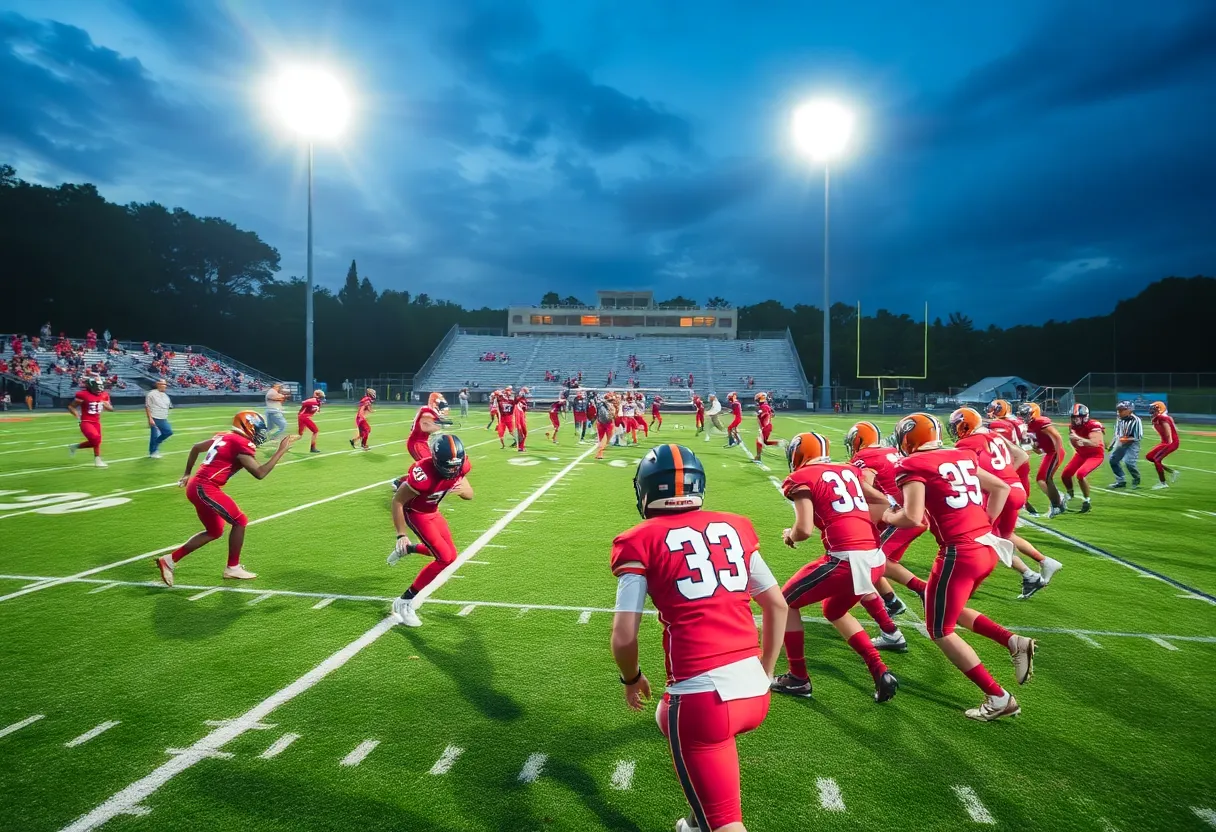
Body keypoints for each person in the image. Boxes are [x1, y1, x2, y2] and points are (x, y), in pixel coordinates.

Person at [610, 444, 787, 832]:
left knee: (726, 824)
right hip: (754, 692)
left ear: (645, 490)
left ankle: (706, 821)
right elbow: (776, 605)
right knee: (668, 718)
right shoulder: (736, 526)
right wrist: (767, 671)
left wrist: (631, 677)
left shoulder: (637, 539)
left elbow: (624, 638)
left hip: (703, 700)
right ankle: (695, 820)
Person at [884, 413, 1035, 721]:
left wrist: (887, 516)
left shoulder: (911, 464)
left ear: (909, 437)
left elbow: (912, 517)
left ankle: (998, 697)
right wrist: (985, 525)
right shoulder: (962, 454)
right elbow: (1001, 488)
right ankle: (1013, 641)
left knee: (940, 629)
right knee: (946, 608)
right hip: (987, 546)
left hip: (960, 552)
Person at [770, 432, 904, 703]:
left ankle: (798, 678)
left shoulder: (802, 478)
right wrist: (864, 529)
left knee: (784, 604)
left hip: (846, 559)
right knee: (834, 609)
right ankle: (879, 670)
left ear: (797, 454)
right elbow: (880, 500)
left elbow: (804, 529)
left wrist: (789, 535)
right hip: (875, 557)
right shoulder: (849, 469)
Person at [155, 412, 298, 587]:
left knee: (214, 531)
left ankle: (169, 560)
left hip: (198, 485)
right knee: (240, 520)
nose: (259, 434)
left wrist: (187, 474)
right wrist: (281, 451)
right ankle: (232, 567)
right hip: (205, 487)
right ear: (246, 426)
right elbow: (260, 473)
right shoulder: (239, 442)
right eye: (257, 429)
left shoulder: (225, 436)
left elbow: (195, 447)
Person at [949, 408, 1062, 599]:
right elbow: (1022, 456)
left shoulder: (968, 442)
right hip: (1016, 488)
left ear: (964, 424)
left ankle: (1027, 575)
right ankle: (1044, 562)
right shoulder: (992, 435)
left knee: (985, 538)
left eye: (955, 425)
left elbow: (962, 468)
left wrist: (995, 481)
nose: (953, 430)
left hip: (999, 494)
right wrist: (1005, 476)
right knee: (1005, 535)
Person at [387, 434, 473, 627]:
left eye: (455, 466)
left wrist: (462, 491)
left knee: (450, 556)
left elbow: (469, 494)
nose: (452, 470)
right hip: (417, 513)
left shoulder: (462, 465)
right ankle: (405, 601)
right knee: (443, 557)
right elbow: (398, 501)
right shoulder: (423, 474)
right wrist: (401, 534)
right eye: (448, 466)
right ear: (436, 461)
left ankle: (408, 550)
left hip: (433, 511)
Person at [845, 420, 928, 615]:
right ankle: (892, 602)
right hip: (916, 512)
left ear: (858, 439)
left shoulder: (865, 456)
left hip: (903, 515)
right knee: (878, 561)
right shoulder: (889, 451)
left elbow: (864, 486)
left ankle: (923, 589)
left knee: (872, 559)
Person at [1017, 402, 1066, 518]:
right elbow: (1038, 449)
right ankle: (1057, 500)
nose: (1023, 417)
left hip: (1054, 452)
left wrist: (1057, 452)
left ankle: (1057, 504)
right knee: (1041, 479)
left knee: (1046, 479)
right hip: (1049, 453)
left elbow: (1057, 437)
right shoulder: (1030, 425)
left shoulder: (1040, 422)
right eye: (1022, 414)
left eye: (1026, 414)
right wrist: (1035, 446)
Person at [1061, 403, 1105, 513]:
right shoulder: (1073, 426)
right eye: (1073, 418)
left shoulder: (1093, 425)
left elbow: (1095, 443)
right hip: (1081, 454)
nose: (1074, 420)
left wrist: (1079, 439)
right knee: (1065, 475)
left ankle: (1087, 501)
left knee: (1080, 474)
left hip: (1095, 455)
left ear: (1085, 417)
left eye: (1077, 418)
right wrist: (1077, 443)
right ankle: (1070, 495)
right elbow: (1074, 441)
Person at [67, 376, 113, 467]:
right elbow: (71, 406)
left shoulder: (104, 395)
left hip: (96, 422)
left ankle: (77, 448)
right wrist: (78, 416)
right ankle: (97, 460)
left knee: (96, 442)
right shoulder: (83, 394)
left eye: (100, 386)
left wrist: (106, 405)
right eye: (97, 387)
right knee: (95, 438)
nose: (99, 389)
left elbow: (111, 409)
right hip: (86, 421)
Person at [1108, 400, 1143, 489]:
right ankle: (1121, 481)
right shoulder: (1119, 419)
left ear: (1129, 410)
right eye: (1118, 410)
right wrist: (1111, 445)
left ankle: (1136, 477)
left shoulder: (1136, 420)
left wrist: (1125, 439)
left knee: (1129, 462)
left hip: (1132, 444)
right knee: (1113, 460)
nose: (1119, 412)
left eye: (1121, 410)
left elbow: (1138, 437)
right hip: (1122, 442)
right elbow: (1117, 434)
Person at [1146, 401, 1180, 489]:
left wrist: (1167, 445)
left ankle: (1163, 483)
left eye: (1154, 408)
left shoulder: (1162, 418)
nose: (1151, 410)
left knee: (1157, 459)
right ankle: (1173, 472)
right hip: (1165, 442)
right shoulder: (1156, 418)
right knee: (1149, 457)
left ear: (1159, 409)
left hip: (1171, 442)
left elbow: (1168, 434)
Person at [146, 379, 174, 459]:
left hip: (163, 417)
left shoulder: (165, 395)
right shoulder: (151, 394)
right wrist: (150, 419)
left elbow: (169, 406)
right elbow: (147, 407)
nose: (165, 386)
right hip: (155, 417)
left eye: (165, 384)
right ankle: (153, 452)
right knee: (155, 435)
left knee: (168, 432)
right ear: (158, 384)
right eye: (163, 384)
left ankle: (156, 444)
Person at [752, 393, 782, 462]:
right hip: (766, 426)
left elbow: (764, 414)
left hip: (766, 427)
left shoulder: (764, 406)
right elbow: (772, 414)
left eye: (757, 400)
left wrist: (760, 413)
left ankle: (758, 457)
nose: (756, 401)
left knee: (759, 441)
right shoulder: (765, 406)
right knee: (765, 442)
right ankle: (780, 443)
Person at [514, 387, 531, 452]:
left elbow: (525, 408)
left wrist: (525, 406)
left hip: (523, 416)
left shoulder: (524, 399)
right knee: (521, 433)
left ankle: (521, 447)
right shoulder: (518, 399)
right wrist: (520, 396)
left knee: (524, 433)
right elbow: (515, 402)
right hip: (519, 418)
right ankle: (520, 447)